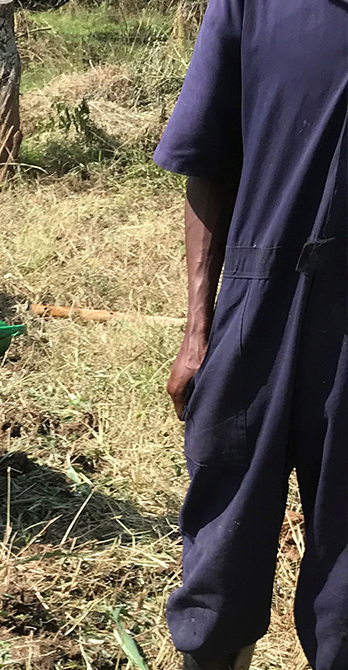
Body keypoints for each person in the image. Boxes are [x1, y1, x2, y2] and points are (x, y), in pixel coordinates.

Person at [156, 0, 346, 668]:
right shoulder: (252, 6)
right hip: (255, 305)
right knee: (222, 558)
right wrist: (197, 330)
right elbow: (205, 160)